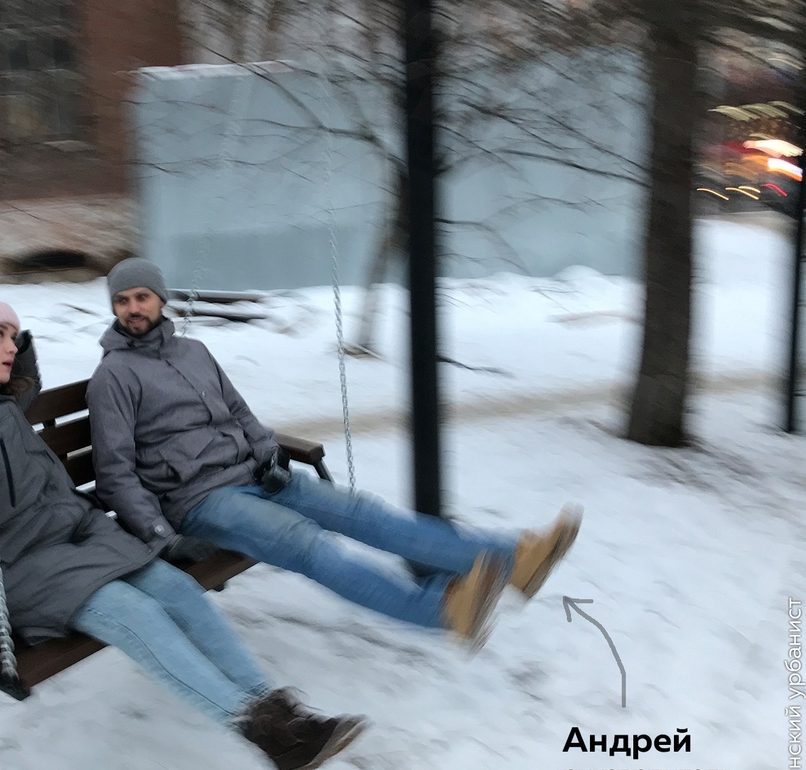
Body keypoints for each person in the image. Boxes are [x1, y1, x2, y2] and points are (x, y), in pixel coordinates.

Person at [0, 292, 366, 770]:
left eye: (15, 336)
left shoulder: (0, 401)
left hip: (76, 538)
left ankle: (278, 712)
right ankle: (263, 734)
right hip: (21, 566)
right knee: (138, 616)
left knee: (181, 591)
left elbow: (24, 385)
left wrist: (19, 348)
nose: (12, 345)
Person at [87, 257, 583, 649]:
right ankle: (443, 611)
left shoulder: (193, 351)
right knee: (311, 545)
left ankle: (515, 560)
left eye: (142, 297)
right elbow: (115, 473)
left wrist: (267, 455)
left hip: (254, 475)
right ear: (115, 308)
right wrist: (162, 537)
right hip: (200, 501)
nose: (133, 308)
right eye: (123, 300)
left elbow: (238, 411)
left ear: (160, 300)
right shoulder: (113, 378)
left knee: (366, 514)